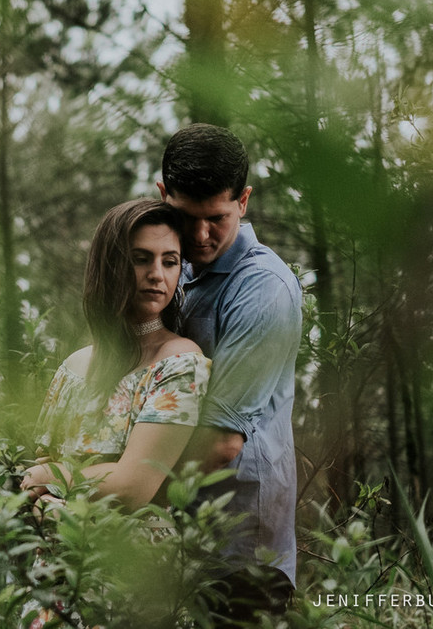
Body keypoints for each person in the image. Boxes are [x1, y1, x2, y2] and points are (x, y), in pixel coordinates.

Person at [158, 123, 303, 625]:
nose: (201, 235)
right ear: (162, 196)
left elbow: (222, 443)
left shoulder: (263, 289)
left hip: (243, 562)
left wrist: (115, 478)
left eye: (216, 218)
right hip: (185, 550)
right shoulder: (177, 273)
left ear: (243, 201)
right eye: (185, 217)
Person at [21, 198, 211, 518]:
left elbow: (133, 487)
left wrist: (56, 478)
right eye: (140, 259)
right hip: (55, 551)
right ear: (111, 265)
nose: (156, 274)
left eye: (170, 261)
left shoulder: (180, 365)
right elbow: (39, 468)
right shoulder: (73, 368)